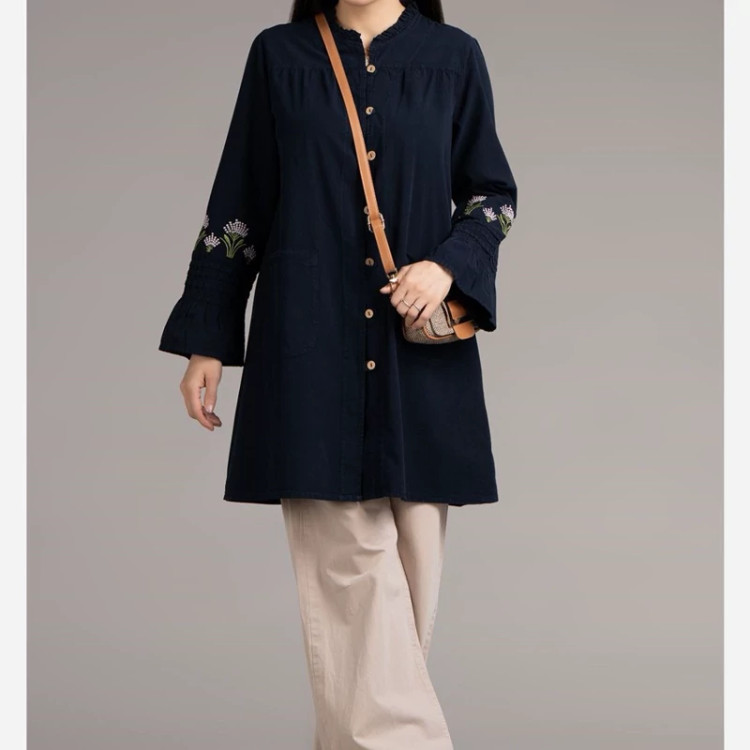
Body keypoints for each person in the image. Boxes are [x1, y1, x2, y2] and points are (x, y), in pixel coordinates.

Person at [158, 0, 517, 747]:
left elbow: (492, 197)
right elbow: (240, 203)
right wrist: (206, 341)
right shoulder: (279, 56)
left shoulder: (454, 56)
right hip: (310, 349)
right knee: (356, 583)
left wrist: (447, 266)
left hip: (419, 363)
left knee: (405, 598)